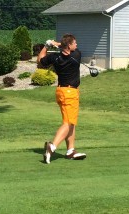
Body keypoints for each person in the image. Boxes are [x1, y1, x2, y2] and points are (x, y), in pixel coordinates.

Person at [37, 33, 86, 164]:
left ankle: (70, 151)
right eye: (74, 43)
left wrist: (47, 45)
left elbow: (40, 59)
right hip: (70, 93)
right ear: (69, 46)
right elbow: (65, 47)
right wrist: (57, 44)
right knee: (68, 123)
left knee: (71, 122)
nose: (77, 45)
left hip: (60, 91)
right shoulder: (76, 56)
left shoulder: (54, 57)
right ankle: (52, 147)